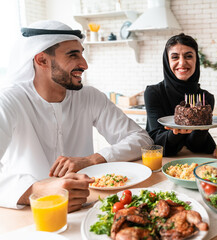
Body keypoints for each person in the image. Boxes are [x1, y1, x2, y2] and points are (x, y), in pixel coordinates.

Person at [0, 20, 153, 211]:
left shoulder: (89, 96)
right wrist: (39, 190)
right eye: (73, 55)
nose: (84, 64)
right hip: (29, 214)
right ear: (42, 60)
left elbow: (143, 140)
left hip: (87, 205)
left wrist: (91, 159)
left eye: (82, 54)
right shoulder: (8, 101)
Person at [144, 33, 217, 156]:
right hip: (161, 162)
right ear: (167, 61)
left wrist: (202, 130)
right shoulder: (154, 93)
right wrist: (175, 133)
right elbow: (156, 141)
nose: (182, 63)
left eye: (188, 56)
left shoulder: (205, 99)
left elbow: (195, 146)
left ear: (196, 60)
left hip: (197, 162)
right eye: (175, 57)